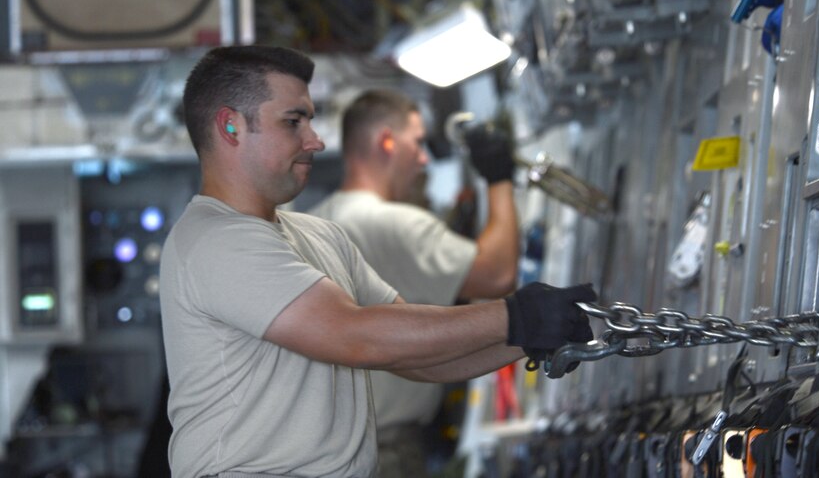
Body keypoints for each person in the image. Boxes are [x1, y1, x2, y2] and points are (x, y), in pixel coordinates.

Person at [159, 45, 595, 478]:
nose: (315, 140)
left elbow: (418, 357)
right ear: (231, 126)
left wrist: (528, 339)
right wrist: (513, 316)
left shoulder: (319, 235)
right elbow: (355, 336)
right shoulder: (212, 240)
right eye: (293, 122)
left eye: (310, 120)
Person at [311, 89, 519, 477]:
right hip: (385, 452)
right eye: (417, 143)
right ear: (387, 142)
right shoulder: (390, 223)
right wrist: (499, 177)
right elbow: (498, 272)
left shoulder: (316, 223)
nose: (423, 159)